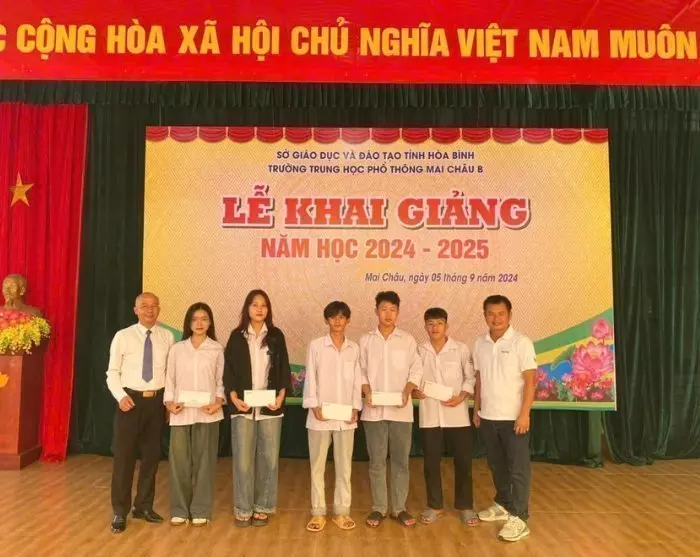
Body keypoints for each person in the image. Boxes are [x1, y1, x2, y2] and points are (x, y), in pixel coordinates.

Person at [106, 292, 175, 534]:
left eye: (154, 306)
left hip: (156, 402)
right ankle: (119, 510)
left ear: (159, 309)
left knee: (151, 457)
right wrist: (120, 396)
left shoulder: (167, 337)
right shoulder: (123, 336)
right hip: (130, 401)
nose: (149, 310)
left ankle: (143, 506)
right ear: (135, 310)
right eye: (144, 306)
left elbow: (170, 373)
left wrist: (168, 402)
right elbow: (112, 372)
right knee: (124, 458)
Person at [223, 289, 291, 528]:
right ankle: (243, 508)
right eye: (255, 305)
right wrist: (233, 397)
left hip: (270, 407)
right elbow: (228, 370)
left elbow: (284, 368)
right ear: (247, 309)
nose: (259, 309)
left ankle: (262, 507)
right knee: (243, 462)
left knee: (269, 460)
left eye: (263, 305)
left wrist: (281, 396)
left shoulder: (276, 335)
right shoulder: (236, 337)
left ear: (268, 309)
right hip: (243, 407)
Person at [473, 295, 536, 542]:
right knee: (496, 464)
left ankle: (519, 517)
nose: (496, 318)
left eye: (501, 314)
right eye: (491, 313)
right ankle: (503, 504)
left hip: (514, 418)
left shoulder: (522, 342)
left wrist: (524, 414)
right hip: (488, 416)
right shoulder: (480, 343)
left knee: (518, 469)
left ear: (509, 315)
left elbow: (530, 382)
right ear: (484, 315)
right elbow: (479, 378)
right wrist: (476, 409)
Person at [360, 291, 422, 528]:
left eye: (393, 310)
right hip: (374, 412)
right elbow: (360, 370)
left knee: (400, 462)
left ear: (398, 312)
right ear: (376, 311)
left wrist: (407, 391)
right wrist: (366, 391)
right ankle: (378, 507)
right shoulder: (366, 340)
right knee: (376, 462)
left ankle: (399, 508)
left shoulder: (407, 340)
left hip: (401, 412)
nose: (388, 314)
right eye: (384, 309)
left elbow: (416, 369)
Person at [413, 307, 478, 526]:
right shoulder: (419, 350)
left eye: (439, 323)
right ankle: (435, 506)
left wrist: (462, 396)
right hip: (430, 415)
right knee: (431, 463)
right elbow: (413, 377)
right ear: (425, 326)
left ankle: (466, 506)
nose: (435, 328)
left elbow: (470, 377)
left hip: (457, 415)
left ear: (446, 326)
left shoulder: (460, 349)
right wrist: (415, 391)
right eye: (430, 324)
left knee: (463, 462)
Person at [302, 301, 362, 533]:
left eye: (342, 317)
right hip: (320, 416)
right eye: (333, 317)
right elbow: (311, 377)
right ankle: (318, 513)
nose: (337, 321)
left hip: (345, 418)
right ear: (326, 320)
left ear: (348, 320)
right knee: (317, 466)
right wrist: (313, 405)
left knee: (344, 467)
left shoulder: (354, 348)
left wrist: (355, 407)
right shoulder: (316, 346)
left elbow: (357, 380)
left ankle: (342, 511)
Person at [164, 302, 225, 527]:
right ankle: (179, 509)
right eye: (195, 319)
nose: (199, 323)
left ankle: (200, 509)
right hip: (180, 413)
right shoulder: (177, 349)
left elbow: (221, 380)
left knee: (205, 463)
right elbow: (170, 379)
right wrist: (169, 403)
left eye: (204, 319)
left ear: (210, 323)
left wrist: (218, 402)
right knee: (179, 463)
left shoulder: (217, 349)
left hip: (208, 413)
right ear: (188, 323)